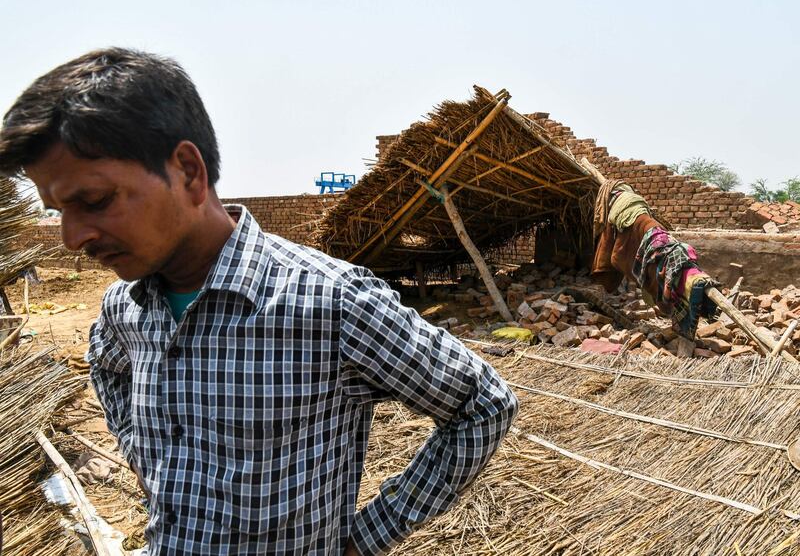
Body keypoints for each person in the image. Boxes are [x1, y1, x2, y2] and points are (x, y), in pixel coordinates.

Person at [0, 48, 518, 555]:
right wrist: (147, 455)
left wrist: (363, 540)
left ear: (187, 171)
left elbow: (482, 405)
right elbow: (106, 366)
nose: (71, 236)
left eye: (93, 201)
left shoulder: (330, 304)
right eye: (58, 210)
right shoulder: (125, 308)